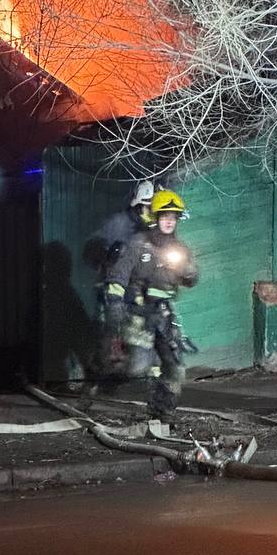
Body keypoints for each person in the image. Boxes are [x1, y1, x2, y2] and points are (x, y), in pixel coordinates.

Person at [106, 189, 198, 421]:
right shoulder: (139, 244)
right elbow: (119, 275)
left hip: (164, 314)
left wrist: (188, 271)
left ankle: (165, 409)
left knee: (175, 366)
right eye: (165, 216)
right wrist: (116, 305)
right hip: (139, 313)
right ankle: (108, 376)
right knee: (140, 366)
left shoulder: (179, 249)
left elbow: (192, 279)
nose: (169, 221)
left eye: (173, 217)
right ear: (155, 217)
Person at [89, 180, 155, 376]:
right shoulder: (119, 223)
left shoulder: (155, 230)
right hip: (115, 284)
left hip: (141, 287)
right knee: (112, 324)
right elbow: (95, 246)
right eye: (147, 206)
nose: (150, 211)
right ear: (139, 205)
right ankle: (102, 368)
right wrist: (108, 254)